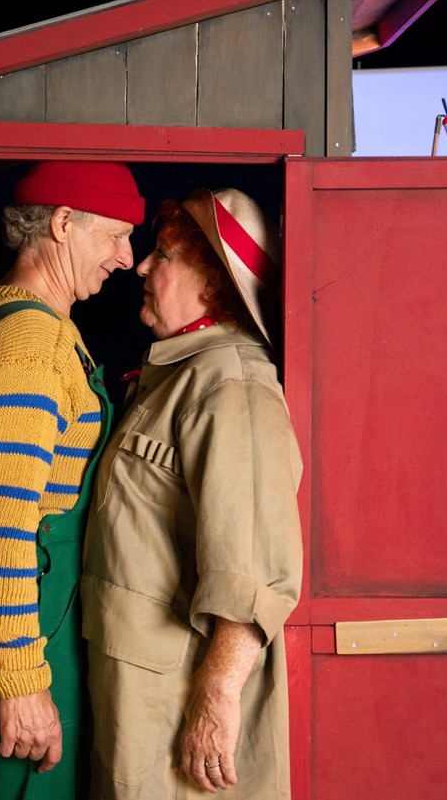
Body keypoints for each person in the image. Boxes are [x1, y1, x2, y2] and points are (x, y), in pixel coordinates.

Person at [81, 187, 303, 799]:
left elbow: (253, 569)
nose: (141, 267)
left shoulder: (232, 384)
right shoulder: (181, 373)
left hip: (178, 696)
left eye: (163, 255)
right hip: (139, 688)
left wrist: (217, 696)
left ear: (213, 283)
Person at [0, 160, 145, 800]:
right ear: (62, 223)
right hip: (25, 636)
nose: (127, 257)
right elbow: (1, 519)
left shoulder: (26, 317)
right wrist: (22, 682)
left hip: (36, 623)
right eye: (116, 234)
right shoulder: (28, 341)